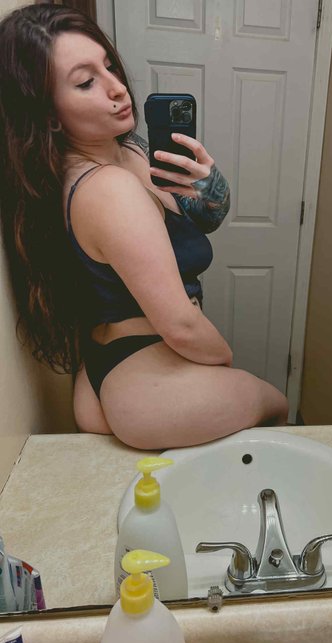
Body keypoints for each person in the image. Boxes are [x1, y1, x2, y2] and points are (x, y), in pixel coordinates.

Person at [0, 4, 288, 450]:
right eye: (86, 82)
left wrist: (210, 188)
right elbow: (181, 326)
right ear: (49, 114)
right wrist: (223, 362)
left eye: (109, 66)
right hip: (148, 372)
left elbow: (199, 219)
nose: (117, 88)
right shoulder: (109, 188)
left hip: (109, 359)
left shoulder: (125, 151)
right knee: (278, 406)